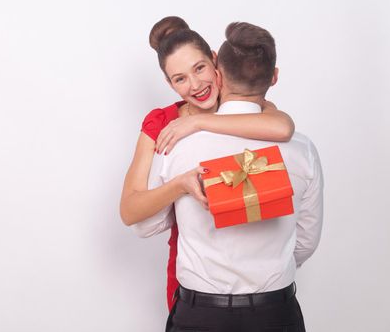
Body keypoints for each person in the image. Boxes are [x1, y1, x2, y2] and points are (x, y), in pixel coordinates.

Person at [133, 21, 323, 332]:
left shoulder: (177, 145)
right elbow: (306, 240)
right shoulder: (302, 149)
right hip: (276, 311)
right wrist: (268, 268)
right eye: (181, 77)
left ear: (218, 71)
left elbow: (147, 224)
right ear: (273, 77)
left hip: (201, 314)